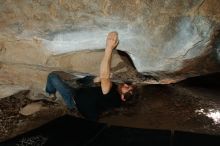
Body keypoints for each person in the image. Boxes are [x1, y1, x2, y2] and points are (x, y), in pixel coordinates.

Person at [45, 31, 137, 121]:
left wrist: (109, 48)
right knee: (94, 79)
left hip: (74, 100)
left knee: (53, 77)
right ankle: (77, 82)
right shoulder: (115, 92)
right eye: (129, 85)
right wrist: (99, 79)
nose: (126, 85)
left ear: (123, 98)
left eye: (127, 88)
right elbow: (101, 81)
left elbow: (105, 76)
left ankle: (51, 92)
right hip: (84, 91)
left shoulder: (113, 98)